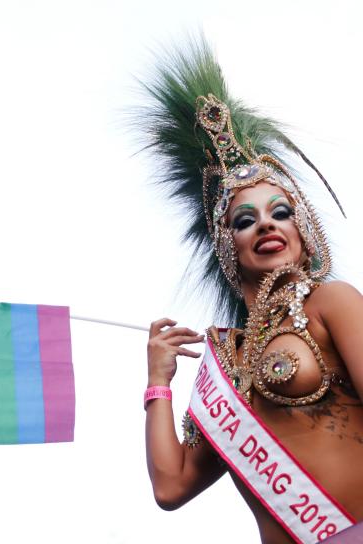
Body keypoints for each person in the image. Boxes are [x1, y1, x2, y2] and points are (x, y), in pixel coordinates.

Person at [140, 40, 363, 544]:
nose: (266, 223)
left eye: (281, 212)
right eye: (246, 219)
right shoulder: (225, 363)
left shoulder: (331, 303)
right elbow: (171, 486)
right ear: (228, 247)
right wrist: (158, 382)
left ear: (305, 233)